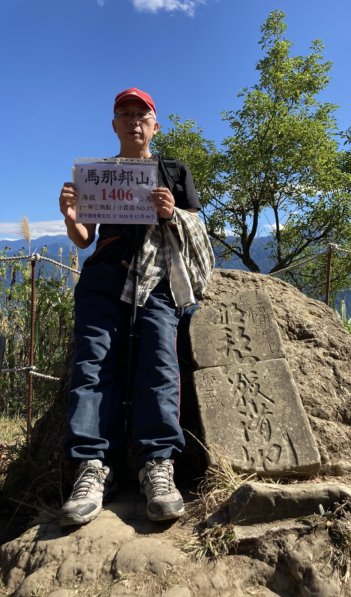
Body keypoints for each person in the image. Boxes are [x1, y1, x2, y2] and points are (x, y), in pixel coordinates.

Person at [58, 87, 214, 526]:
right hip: (104, 276)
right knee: (92, 365)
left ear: (155, 125)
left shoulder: (173, 170)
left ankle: (157, 465)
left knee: (160, 363)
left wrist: (171, 214)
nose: (133, 121)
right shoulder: (99, 174)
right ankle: (92, 468)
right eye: (124, 114)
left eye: (141, 114)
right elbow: (86, 239)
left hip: (157, 281)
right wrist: (71, 219)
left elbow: (196, 231)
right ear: (114, 125)